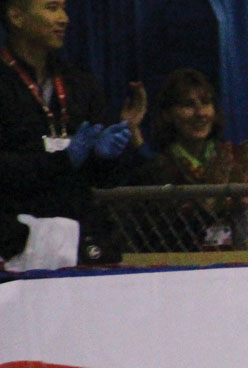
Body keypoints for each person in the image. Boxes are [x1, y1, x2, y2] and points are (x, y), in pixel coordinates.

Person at [1, 0, 147, 264]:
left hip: (80, 238)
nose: (64, 18)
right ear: (16, 16)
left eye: (64, 8)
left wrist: (108, 156)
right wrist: (61, 161)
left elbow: (105, 179)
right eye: (51, 7)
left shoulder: (79, 83)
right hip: (14, 240)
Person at [133, 67, 248, 250]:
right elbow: (158, 240)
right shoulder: (159, 170)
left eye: (206, 103)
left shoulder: (238, 163)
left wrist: (242, 202)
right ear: (168, 114)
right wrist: (207, 202)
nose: (200, 113)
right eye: (188, 105)